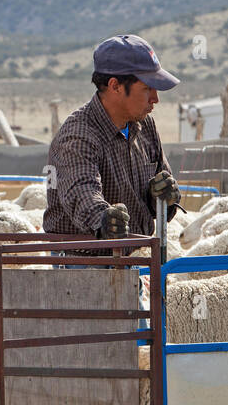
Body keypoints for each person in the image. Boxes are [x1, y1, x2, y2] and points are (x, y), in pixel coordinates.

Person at [45, 35, 183, 253]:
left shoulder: (144, 126)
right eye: (148, 88)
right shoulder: (79, 136)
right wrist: (103, 219)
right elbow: (81, 192)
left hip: (137, 257)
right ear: (115, 85)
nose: (155, 98)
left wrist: (164, 197)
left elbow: (160, 191)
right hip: (85, 267)